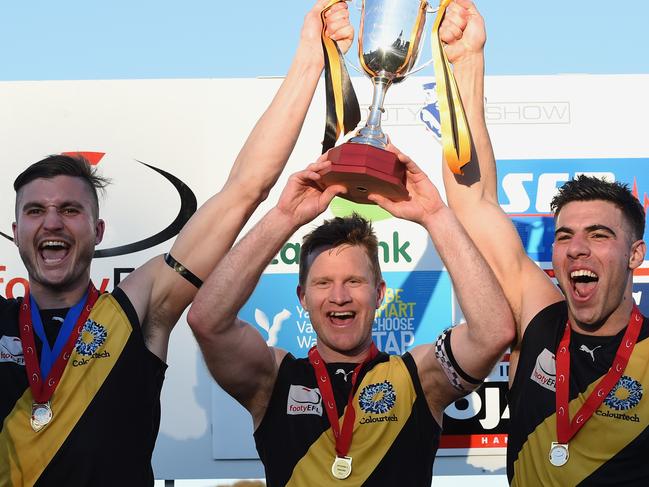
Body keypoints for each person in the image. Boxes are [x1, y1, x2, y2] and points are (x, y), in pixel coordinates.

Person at [0, 1, 353, 485]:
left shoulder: (139, 309)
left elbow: (243, 190)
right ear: (16, 232)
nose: (53, 222)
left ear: (97, 232)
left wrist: (310, 59)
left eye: (71, 210)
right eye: (35, 211)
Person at [187, 147, 514, 486]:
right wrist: (284, 217)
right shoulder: (274, 380)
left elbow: (492, 332)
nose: (339, 296)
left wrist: (435, 215)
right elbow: (207, 321)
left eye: (354, 281)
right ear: (303, 296)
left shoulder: (416, 378)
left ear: (378, 294)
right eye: (323, 283)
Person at [439, 1, 649, 485]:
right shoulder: (540, 316)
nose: (577, 249)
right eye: (565, 236)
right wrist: (469, 64)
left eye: (599, 236)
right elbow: (473, 203)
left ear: (634, 254)